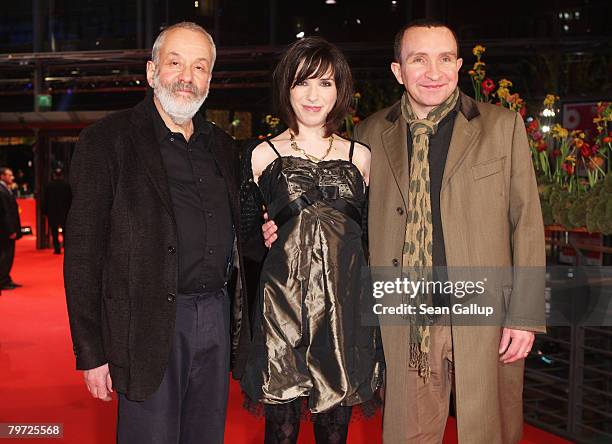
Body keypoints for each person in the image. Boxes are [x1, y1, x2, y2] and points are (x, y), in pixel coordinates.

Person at [263, 20, 546, 444]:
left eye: (445, 59)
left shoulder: (501, 127)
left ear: (459, 65)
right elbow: (345, 222)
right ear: (398, 70)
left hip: (485, 312)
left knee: (490, 431)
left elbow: (526, 223)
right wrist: (284, 229)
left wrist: (524, 316)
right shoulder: (370, 135)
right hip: (405, 315)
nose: (434, 72)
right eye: (419, 59)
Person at [64, 22, 251, 444]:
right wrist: (91, 353)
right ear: (152, 72)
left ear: (209, 79)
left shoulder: (223, 147)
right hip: (144, 325)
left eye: (199, 67)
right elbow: (82, 255)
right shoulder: (106, 141)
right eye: (175, 63)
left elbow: (240, 234)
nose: (187, 77)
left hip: (216, 321)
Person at [240, 36, 383, 444]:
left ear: (340, 90)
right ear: (287, 88)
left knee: (334, 429)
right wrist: (264, 233)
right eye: (303, 83)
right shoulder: (261, 154)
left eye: (325, 83)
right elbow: (243, 235)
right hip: (281, 306)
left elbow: (367, 236)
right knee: (281, 429)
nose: (313, 95)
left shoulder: (361, 156)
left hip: (343, 309)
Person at [0, 166, 23, 290]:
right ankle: (3, 280)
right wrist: (11, 230)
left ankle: (6, 278)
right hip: (5, 231)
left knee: (8, 255)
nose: (12, 177)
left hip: (7, 229)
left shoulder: (6, 189)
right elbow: (5, 213)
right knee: (5, 255)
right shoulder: (1, 190)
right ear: (2, 176)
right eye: (9, 175)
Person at [43, 169, 71, 254]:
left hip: (53, 212)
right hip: (65, 212)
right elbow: (70, 199)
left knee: (54, 231)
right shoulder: (67, 186)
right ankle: (66, 247)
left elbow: (45, 200)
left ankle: (57, 249)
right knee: (65, 231)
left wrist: (44, 212)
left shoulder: (49, 186)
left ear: (54, 175)